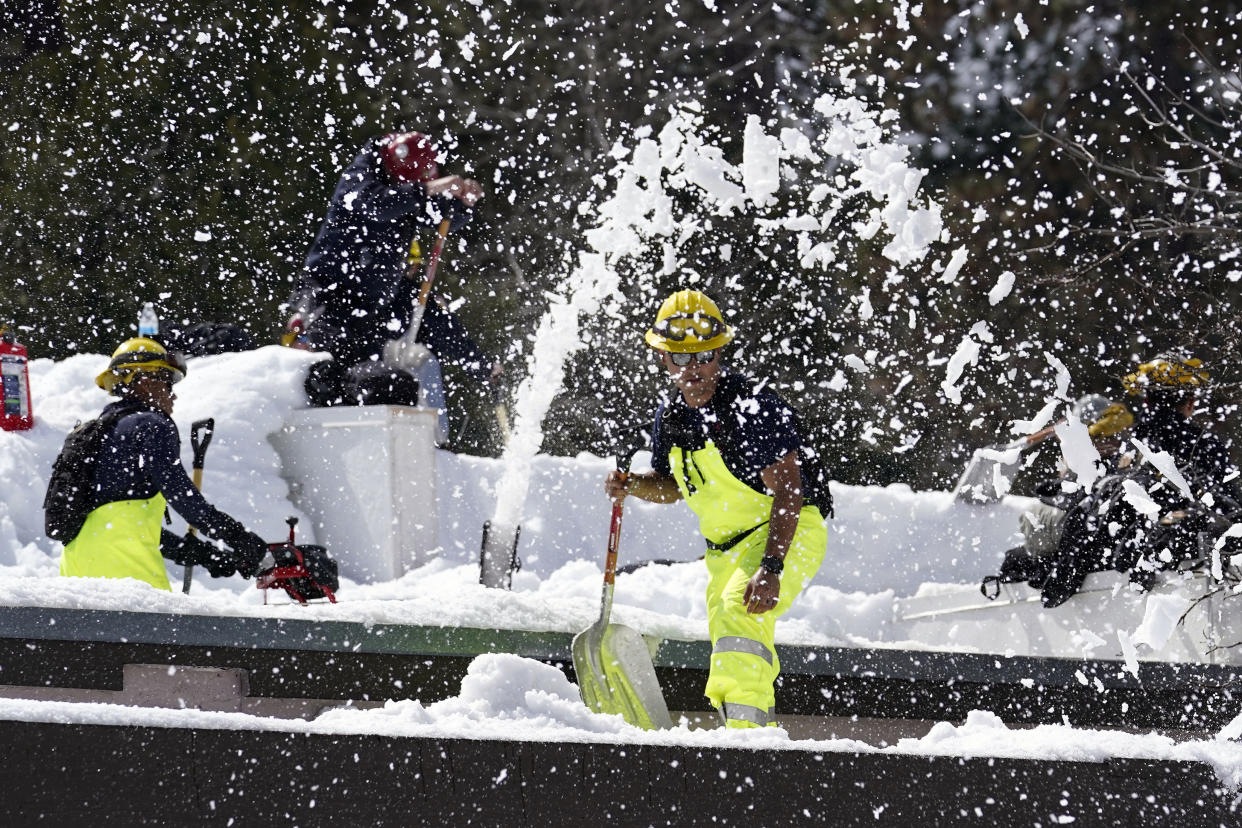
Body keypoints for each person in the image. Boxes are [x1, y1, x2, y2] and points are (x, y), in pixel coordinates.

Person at [603, 289, 830, 729]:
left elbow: (789, 492)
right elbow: (673, 487)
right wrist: (631, 487)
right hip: (724, 551)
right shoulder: (671, 416)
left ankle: (745, 742)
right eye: (681, 359)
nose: (694, 370)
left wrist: (771, 567)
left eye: (704, 357)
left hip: (788, 529)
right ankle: (741, 728)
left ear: (720, 352)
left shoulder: (752, 408)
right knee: (730, 637)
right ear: (665, 360)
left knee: (739, 610)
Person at [287, 131, 501, 428]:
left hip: (377, 298)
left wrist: (463, 205)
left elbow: (439, 215)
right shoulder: (359, 179)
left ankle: (482, 369)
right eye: (411, 185)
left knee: (425, 319)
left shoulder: (409, 192)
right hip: (332, 296)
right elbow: (377, 204)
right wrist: (425, 189)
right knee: (332, 377)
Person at [56, 338, 269, 591]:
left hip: (77, 567)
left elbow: (119, 524)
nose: (173, 393)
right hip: (125, 569)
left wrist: (200, 554)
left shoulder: (102, 429)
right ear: (145, 380)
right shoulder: (152, 424)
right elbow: (182, 496)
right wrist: (239, 537)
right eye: (168, 381)